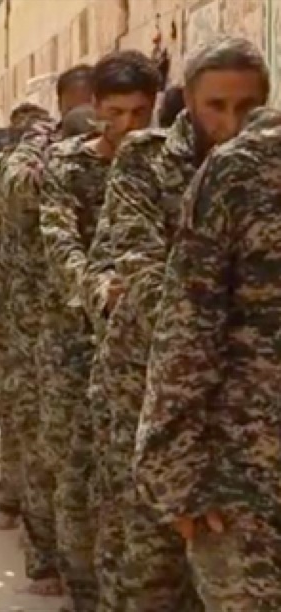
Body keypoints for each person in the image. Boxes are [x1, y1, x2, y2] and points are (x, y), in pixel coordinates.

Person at [109, 37, 266, 611]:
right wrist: (219, 307)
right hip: (154, 399)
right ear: (190, 102)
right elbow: (139, 266)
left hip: (248, 422)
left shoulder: (266, 173)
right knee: (150, 576)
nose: (232, 122)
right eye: (216, 106)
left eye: (247, 107)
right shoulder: (145, 160)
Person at [136, 104, 281, 610]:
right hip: (252, 481)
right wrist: (178, 479)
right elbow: (188, 331)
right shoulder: (246, 169)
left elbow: (185, 333)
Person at [39, 50, 162, 612]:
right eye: (115, 113)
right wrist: (98, 289)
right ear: (93, 108)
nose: (128, 126)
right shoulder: (67, 167)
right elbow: (60, 240)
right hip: (76, 337)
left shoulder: (168, 166)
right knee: (77, 467)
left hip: (142, 348)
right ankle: (81, 590)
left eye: (140, 113)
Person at [0, 62, 94, 597]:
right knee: (44, 438)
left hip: (99, 327)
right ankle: (44, 558)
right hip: (41, 319)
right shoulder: (39, 155)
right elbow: (15, 193)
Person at [0, 101, 51, 533]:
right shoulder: (27, 168)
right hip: (25, 299)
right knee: (23, 399)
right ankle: (20, 501)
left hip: (12, 295)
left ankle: (13, 498)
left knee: (14, 395)